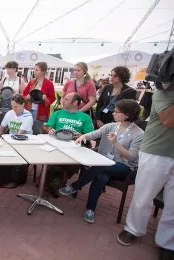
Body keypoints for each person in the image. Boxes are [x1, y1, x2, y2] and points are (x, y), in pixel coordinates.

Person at [59, 99, 144, 224]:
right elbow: (95, 134)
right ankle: (90, 209)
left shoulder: (139, 134)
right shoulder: (111, 126)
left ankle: (76, 186)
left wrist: (116, 143)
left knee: (102, 166)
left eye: (116, 112)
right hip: (104, 163)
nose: (113, 113)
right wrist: (83, 136)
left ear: (127, 115)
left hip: (124, 166)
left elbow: (132, 157)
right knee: (101, 176)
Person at [116, 84, 174, 259]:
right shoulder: (165, 92)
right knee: (143, 196)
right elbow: (169, 120)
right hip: (156, 152)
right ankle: (133, 229)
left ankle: (168, 243)